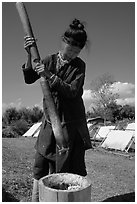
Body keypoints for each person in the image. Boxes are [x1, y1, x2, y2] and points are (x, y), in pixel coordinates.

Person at [22, 18, 92, 201]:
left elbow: (73, 92)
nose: (71, 55)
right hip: (49, 122)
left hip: (70, 123)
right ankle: (36, 200)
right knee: (40, 165)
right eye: (69, 50)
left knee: (66, 167)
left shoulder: (79, 66)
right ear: (63, 42)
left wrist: (49, 75)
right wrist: (29, 53)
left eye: (76, 52)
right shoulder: (49, 61)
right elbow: (29, 78)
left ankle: (62, 198)